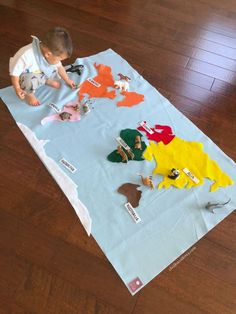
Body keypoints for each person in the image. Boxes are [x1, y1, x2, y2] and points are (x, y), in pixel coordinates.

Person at [9, 27, 76, 106]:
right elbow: (14, 74)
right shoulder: (25, 55)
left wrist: (67, 80)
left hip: (40, 72)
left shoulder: (51, 55)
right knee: (28, 82)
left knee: (55, 68)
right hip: (26, 76)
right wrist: (17, 88)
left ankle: (45, 80)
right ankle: (29, 95)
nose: (60, 61)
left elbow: (60, 67)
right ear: (48, 54)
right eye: (60, 59)